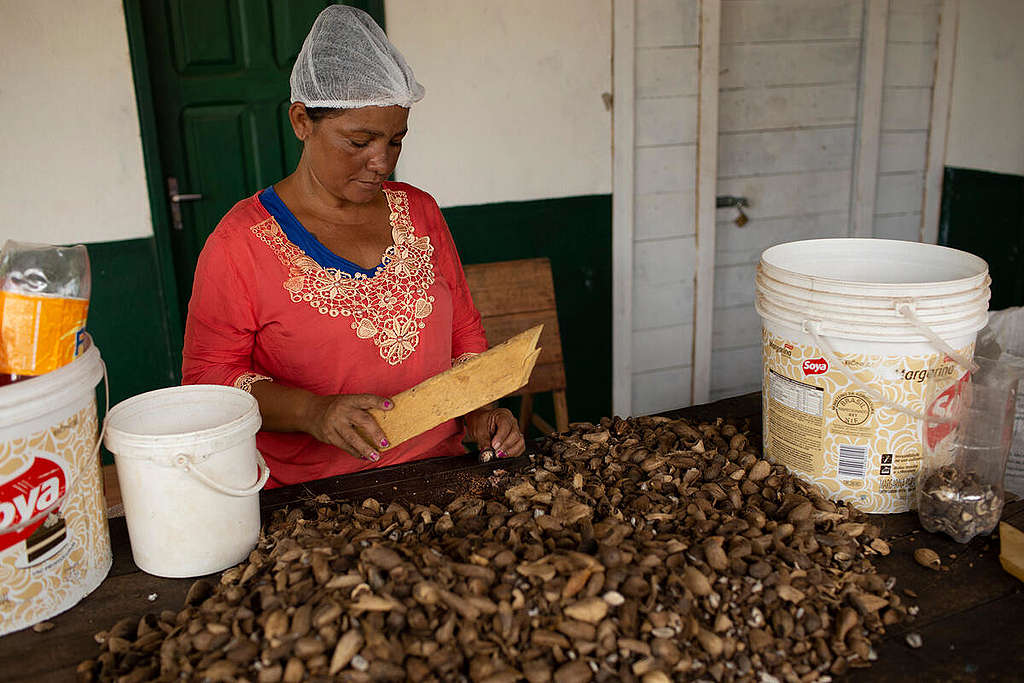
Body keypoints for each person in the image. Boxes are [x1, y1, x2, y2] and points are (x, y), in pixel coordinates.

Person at [182, 6, 525, 487]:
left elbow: (463, 331)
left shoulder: (420, 212)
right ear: (302, 121)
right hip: (308, 493)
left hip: (438, 468)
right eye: (358, 141)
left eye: (396, 141)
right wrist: (312, 411)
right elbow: (207, 379)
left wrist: (481, 412)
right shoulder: (239, 243)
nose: (380, 162)